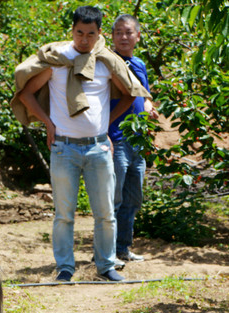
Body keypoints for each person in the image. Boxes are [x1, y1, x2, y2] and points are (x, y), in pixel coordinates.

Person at [12, 5, 151, 283]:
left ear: (99, 33)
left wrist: (106, 122)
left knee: (106, 213)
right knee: (64, 214)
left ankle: (105, 265)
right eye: (79, 33)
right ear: (72, 31)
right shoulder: (57, 62)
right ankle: (65, 267)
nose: (84, 39)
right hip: (64, 148)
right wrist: (48, 123)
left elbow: (128, 94)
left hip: (98, 147)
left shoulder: (106, 62)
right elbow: (26, 94)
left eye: (90, 34)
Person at [109, 14, 158, 265]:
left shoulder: (138, 64)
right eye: (118, 32)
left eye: (128, 32)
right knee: (114, 199)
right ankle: (107, 253)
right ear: (112, 36)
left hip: (138, 141)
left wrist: (149, 108)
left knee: (132, 199)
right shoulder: (106, 63)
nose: (123, 37)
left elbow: (145, 96)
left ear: (138, 36)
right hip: (116, 138)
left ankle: (123, 249)